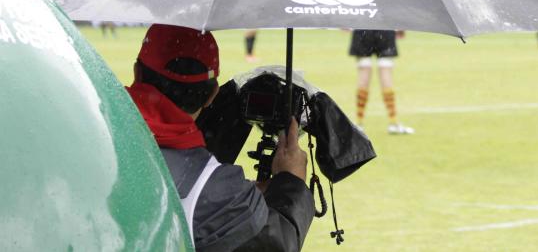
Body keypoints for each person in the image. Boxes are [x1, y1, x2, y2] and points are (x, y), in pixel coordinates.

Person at [126, 24, 314, 252]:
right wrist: (290, 182)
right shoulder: (213, 188)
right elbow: (276, 245)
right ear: (212, 94)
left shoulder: (90, 135)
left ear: (137, 72)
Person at [350, 29, 414, 134]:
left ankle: (358, 124)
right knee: (385, 71)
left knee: (364, 71)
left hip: (363, 27)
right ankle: (393, 123)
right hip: (384, 28)